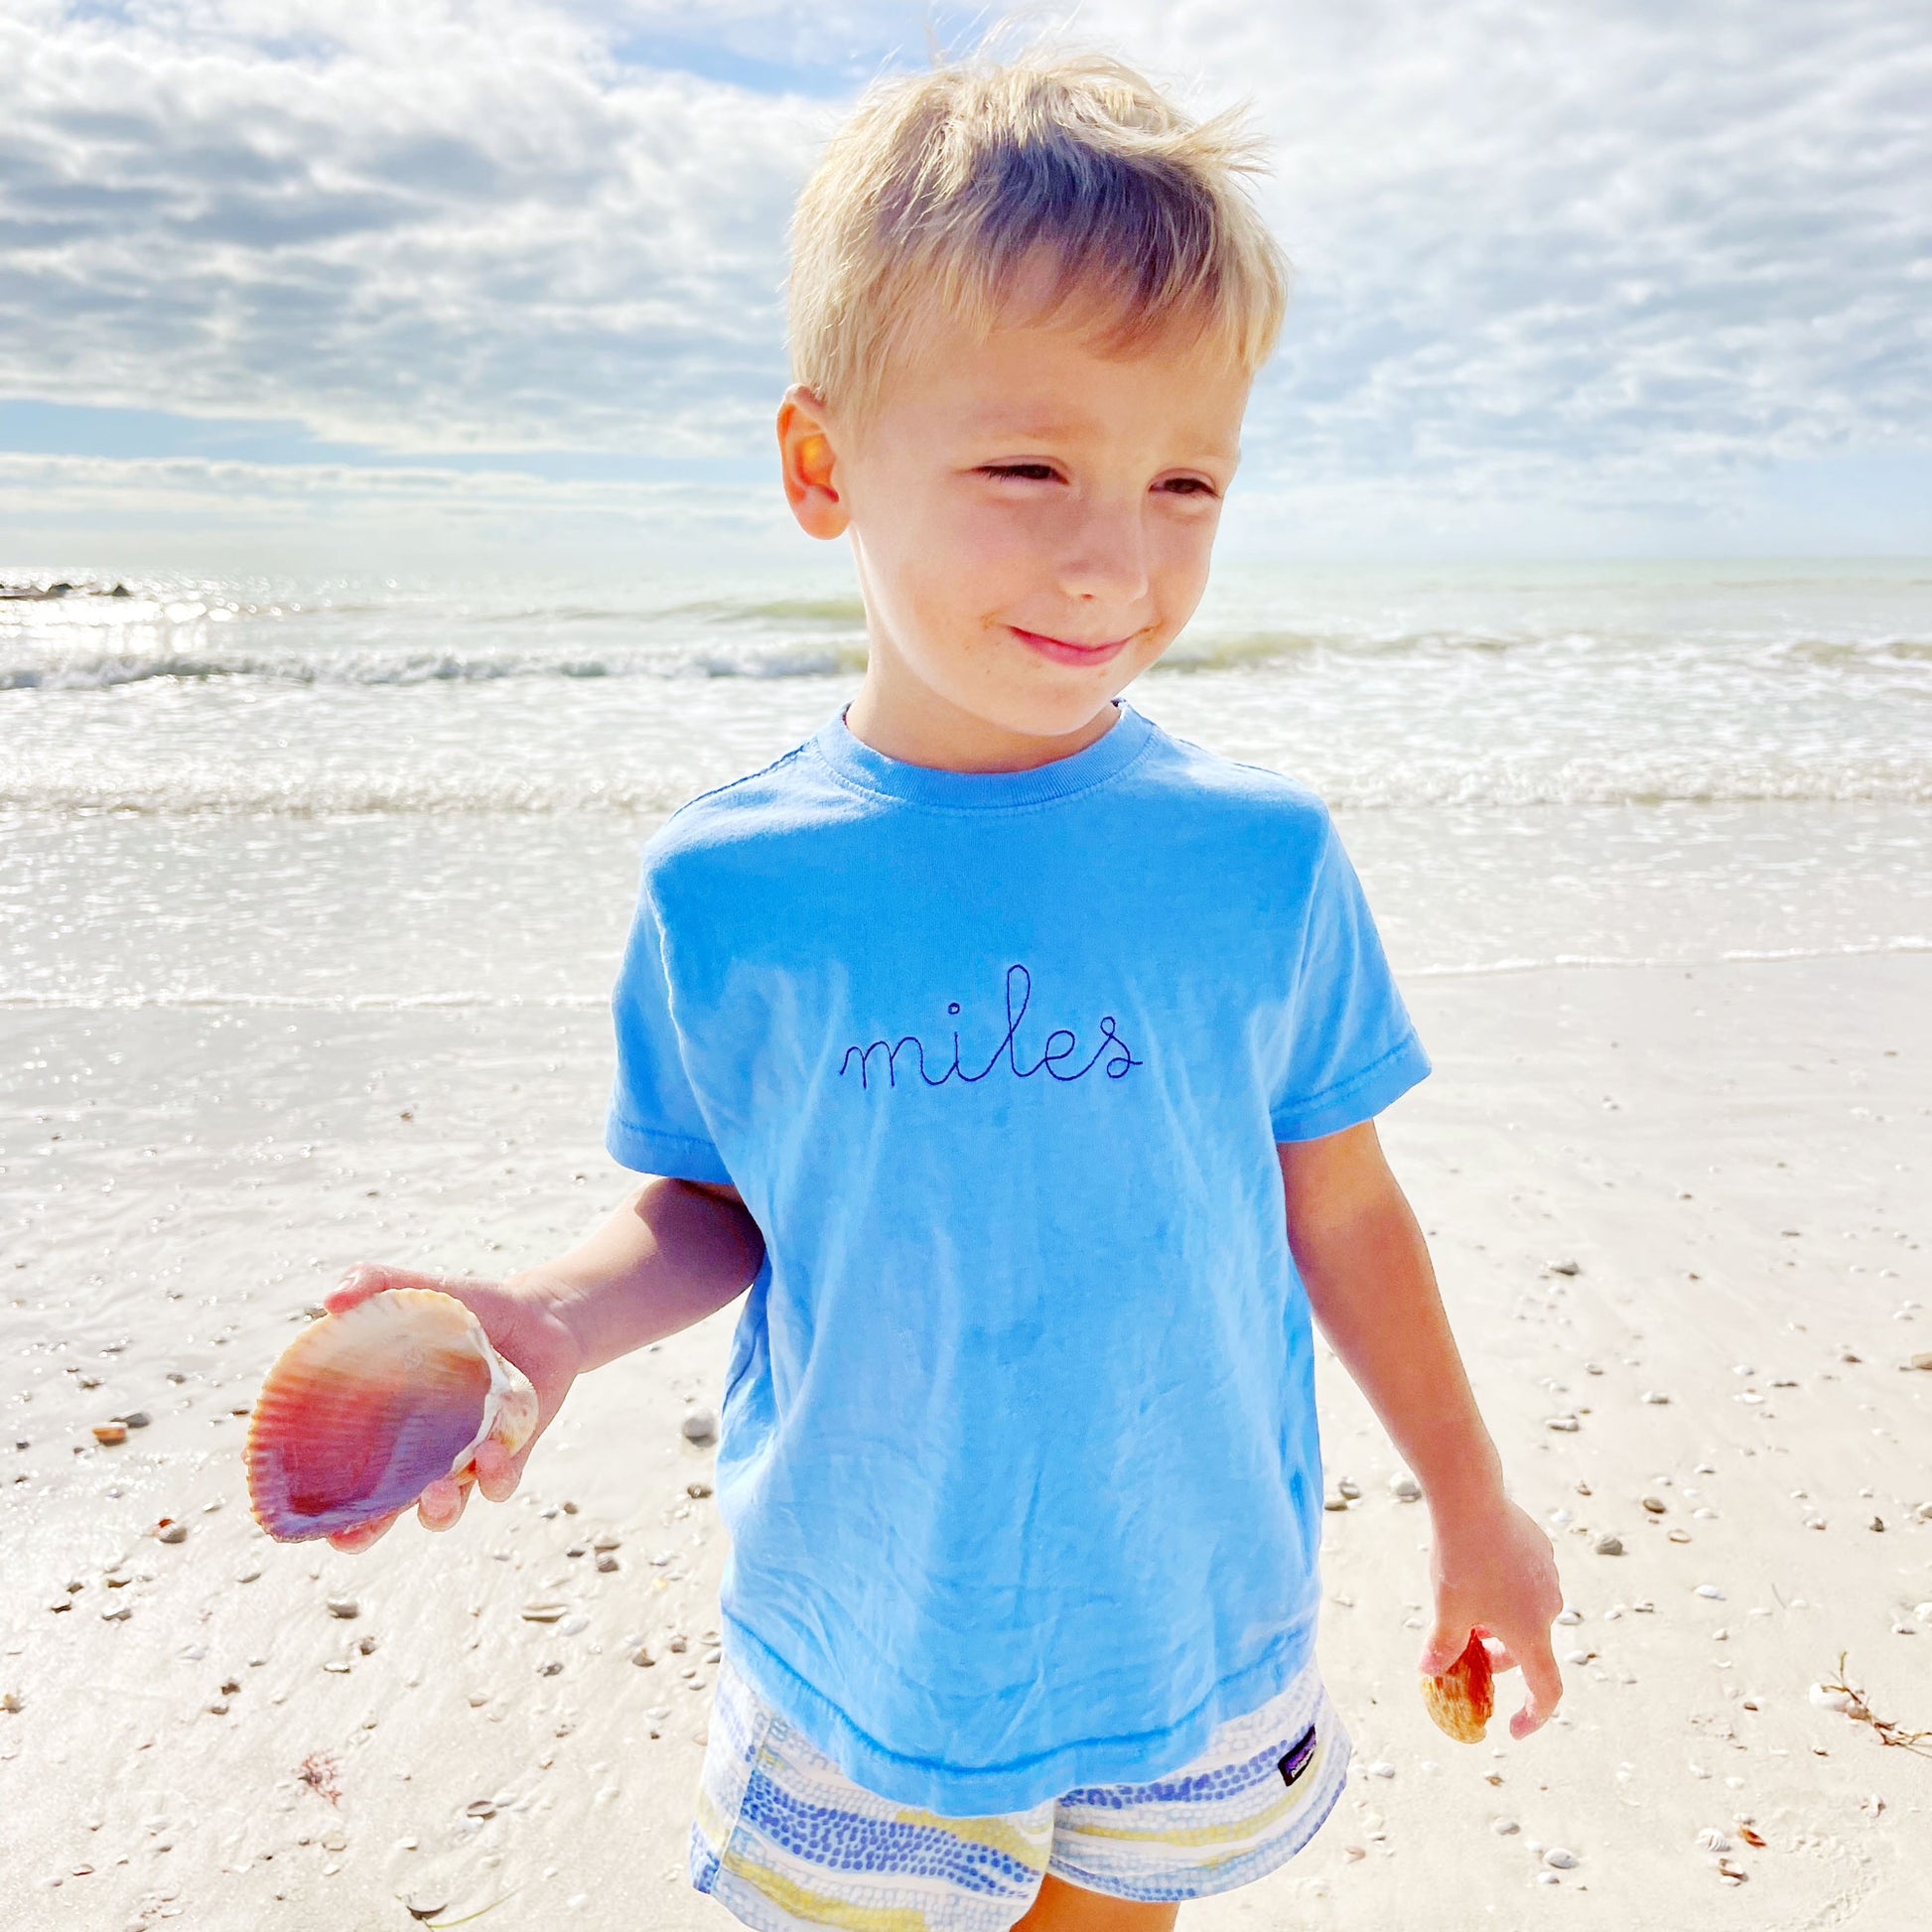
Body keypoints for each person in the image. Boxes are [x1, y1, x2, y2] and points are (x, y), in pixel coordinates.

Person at [325, 46, 1564, 1932]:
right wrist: (561, 1317)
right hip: (866, 1634)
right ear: (825, 467)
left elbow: (1346, 1204)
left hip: (1179, 1616)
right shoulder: (732, 884)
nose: (1114, 554)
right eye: (1026, 465)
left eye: (1184, 480)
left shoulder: (1261, 862)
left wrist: (1473, 1504)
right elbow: (719, 1198)